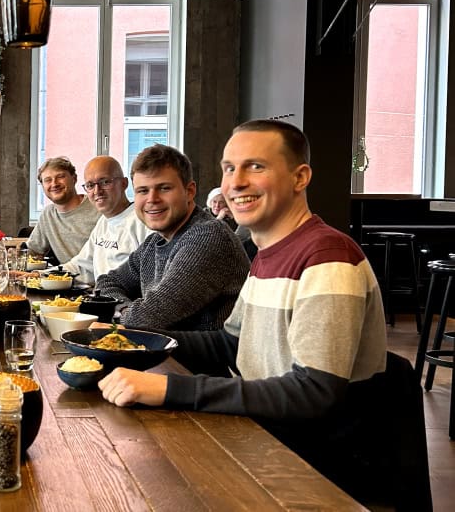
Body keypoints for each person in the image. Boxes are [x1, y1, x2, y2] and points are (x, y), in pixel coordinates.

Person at [98, 120, 390, 503]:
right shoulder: (268, 254)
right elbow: (230, 343)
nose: (235, 182)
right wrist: (130, 340)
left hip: (312, 465)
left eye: (255, 166)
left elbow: (315, 394)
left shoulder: (327, 257)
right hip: (265, 433)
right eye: (229, 168)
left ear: (300, 177)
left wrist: (172, 388)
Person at [95, 144, 249, 331]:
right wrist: (125, 310)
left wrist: (119, 311)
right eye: (143, 191)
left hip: (198, 351)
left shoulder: (209, 236)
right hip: (159, 348)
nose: (152, 199)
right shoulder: (154, 242)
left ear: (189, 191)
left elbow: (146, 318)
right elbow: (106, 282)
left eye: (164, 188)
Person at [57, 157, 150, 284]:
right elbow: (82, 267)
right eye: (90, 185)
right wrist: (39, 275)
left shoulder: (143, 222)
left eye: (105, 182)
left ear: (124, 184)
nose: (97, 191)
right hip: (102, 294)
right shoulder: (104, 221)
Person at [26, 157, 99, 265]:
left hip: (100, 275)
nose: (54, 184)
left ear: (74, 179)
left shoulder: (98, 208)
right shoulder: (48, 214)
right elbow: (33, 252)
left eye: (60, 177)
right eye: (48, 180)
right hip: (67, 275)